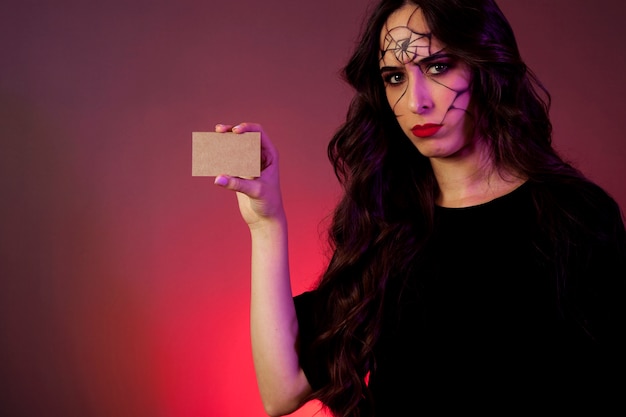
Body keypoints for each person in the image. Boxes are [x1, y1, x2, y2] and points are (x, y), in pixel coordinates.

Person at [212, 0, 626, 415]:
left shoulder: (576, 217)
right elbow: (281, 392)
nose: (416, 102)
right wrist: (266, 223)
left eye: (438, 67)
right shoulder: (387, 224)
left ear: (485, 67)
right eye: (395, 77)